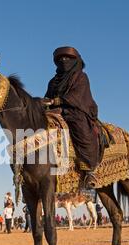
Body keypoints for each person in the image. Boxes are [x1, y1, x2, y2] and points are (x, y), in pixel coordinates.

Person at [43, 47, 104, 189]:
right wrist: (42, 102)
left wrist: (56, 101)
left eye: (67, 58)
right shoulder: (53, 81)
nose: (63, 61)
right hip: (56, 111)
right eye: (60, 59)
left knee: (80, 127)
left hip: (77, 110)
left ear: (75, 61)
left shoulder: (81, 77)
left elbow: (76, 97)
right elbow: (48, 96)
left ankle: (89, 169)